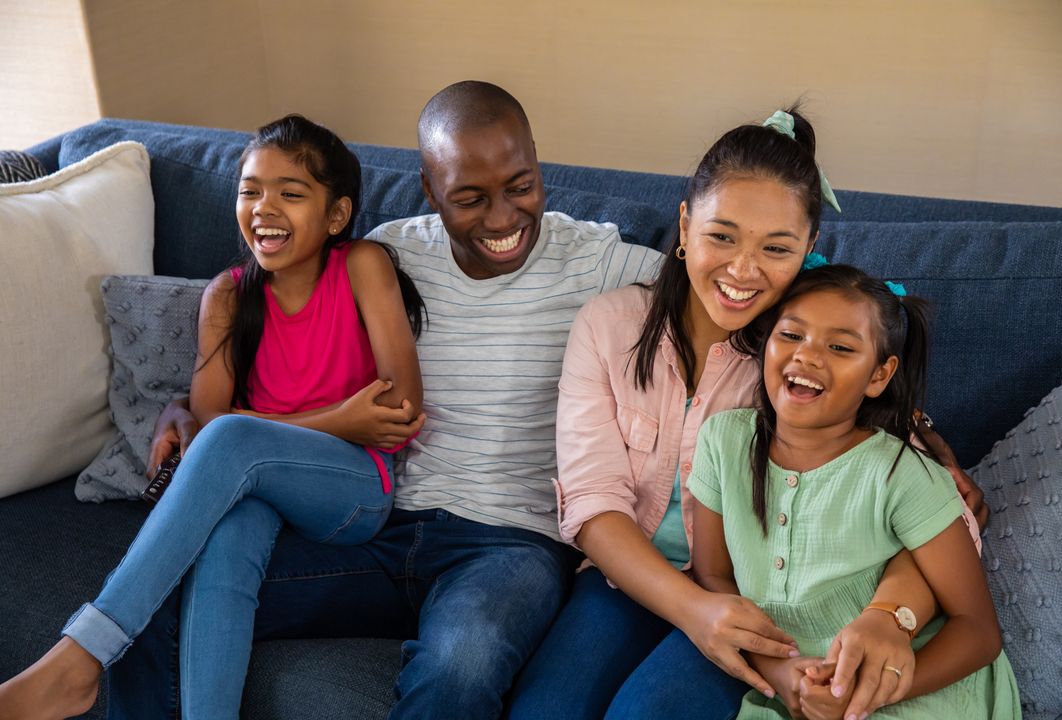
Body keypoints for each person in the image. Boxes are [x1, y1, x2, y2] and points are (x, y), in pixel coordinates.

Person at [102, 81, 664, 719]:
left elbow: (719, 279)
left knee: (461, 664)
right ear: (430, 190)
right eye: (470, 198)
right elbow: (287, 315)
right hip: (381, 523)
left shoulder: (596, 259)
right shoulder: (389, 252)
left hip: (513, 544)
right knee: (158, 604)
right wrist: (184, 403)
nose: (504, 217)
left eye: (522, 185)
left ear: (538, 164)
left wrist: (797, 267)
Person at [506, 109, 987, 720]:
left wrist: (893, 605)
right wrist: (693, 610)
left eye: (776, 248)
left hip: (757, 597)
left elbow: (917, 505)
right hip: (630, 578)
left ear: (809, 250)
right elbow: (593, 503)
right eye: (722, 236)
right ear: (684, 226)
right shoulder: (609, 326)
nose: (742, 270)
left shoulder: (799, 360)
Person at [0, 114, 426, 720]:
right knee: (229, 537)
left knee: (234, 443)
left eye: (291, 192)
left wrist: (307, 429)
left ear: (335, 215)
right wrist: (339, 417)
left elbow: (400, 409)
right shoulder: (227, 295)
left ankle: (80, 658)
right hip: (262, 487)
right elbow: (207, 423)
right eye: (250, 190)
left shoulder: (360, 265)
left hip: (353, 489)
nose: (263, 207)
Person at [690, 264, 1020, 718]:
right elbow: (715, 579)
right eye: (791, 335)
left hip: (917, 686)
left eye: (841, 347)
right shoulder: (722, 441)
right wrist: (781, 676)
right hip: (794, 691)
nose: (807, 356)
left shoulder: (900, 474)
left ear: (879, 376)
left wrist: (869, 696)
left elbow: (978, 632)